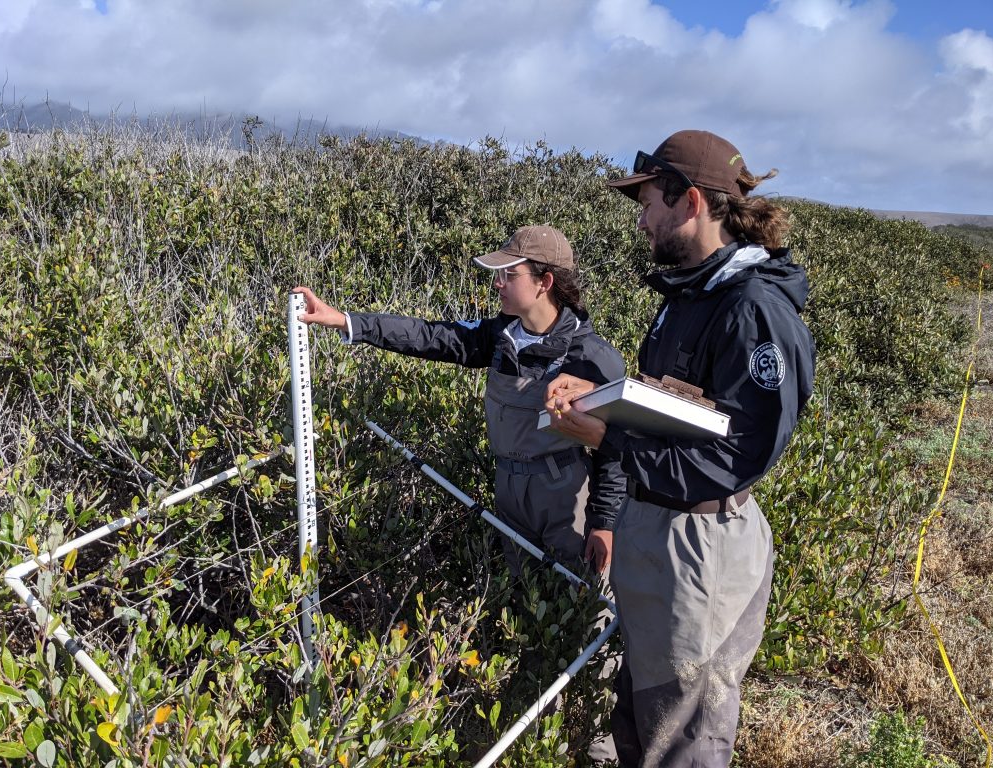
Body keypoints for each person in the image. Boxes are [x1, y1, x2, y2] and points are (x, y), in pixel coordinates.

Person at [544, 130, 816, 767]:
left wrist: (608, 434)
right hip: (656, 536)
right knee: (643, 719)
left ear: (691, 201)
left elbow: (740, 455)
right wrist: (606, 396)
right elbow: (679, 412)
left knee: (684, 738)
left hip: (701, 553)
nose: (640, 219)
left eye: (648, 203)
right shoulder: (687, 295)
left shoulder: (754, 312)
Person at [293, 224, 626, 578]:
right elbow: (427, 335)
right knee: (523, 594)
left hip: (564, 495)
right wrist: (346, 321)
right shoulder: (499, 336)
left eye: (509, 275)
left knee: (579, 600)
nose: (497, 283)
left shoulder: (592, 356)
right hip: (508, 489)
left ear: (544, 282)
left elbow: (615, 451)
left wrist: (604, 523)